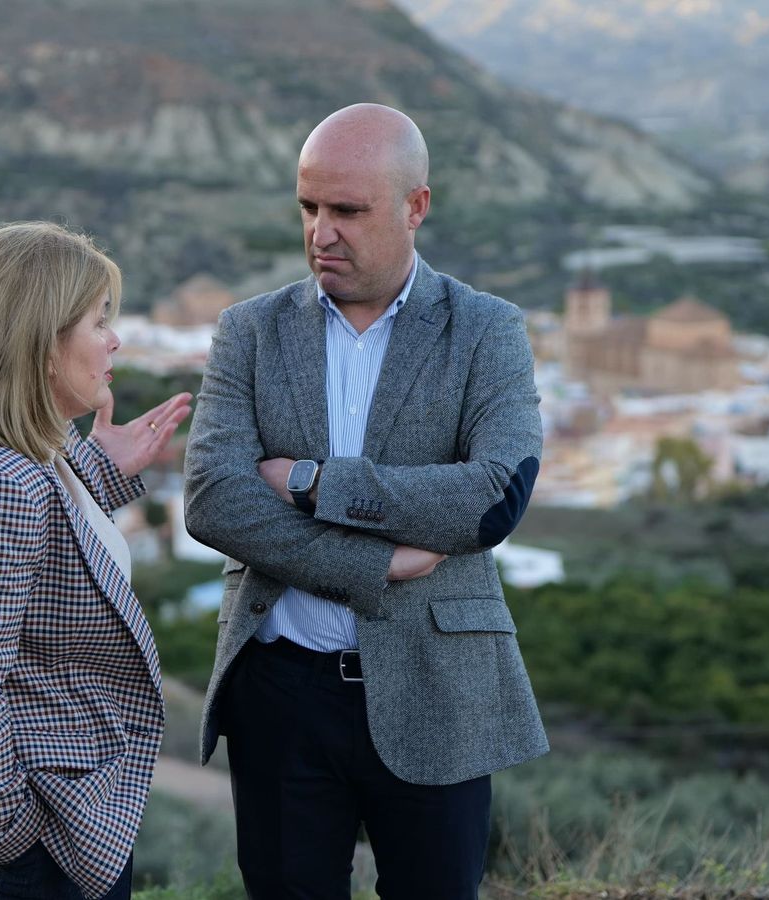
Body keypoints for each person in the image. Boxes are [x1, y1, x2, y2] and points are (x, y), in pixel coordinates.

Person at [182, 104, 547, 899]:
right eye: (309, 208)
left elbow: (492, 501)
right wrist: (374, 563)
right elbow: (213, 500)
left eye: (347, 210)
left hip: (437, 684)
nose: (321, 233)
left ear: (416, 206)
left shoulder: (488, 331)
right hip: (278, 692)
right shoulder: (249, 331)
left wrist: (311, 481)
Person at [0, 221, 191, 900]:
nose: (114, 340)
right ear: (38, 342)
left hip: (25, 846)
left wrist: (98, 475)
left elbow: (31, 568)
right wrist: (11, 838)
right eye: (97, 321)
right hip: (16, 859)